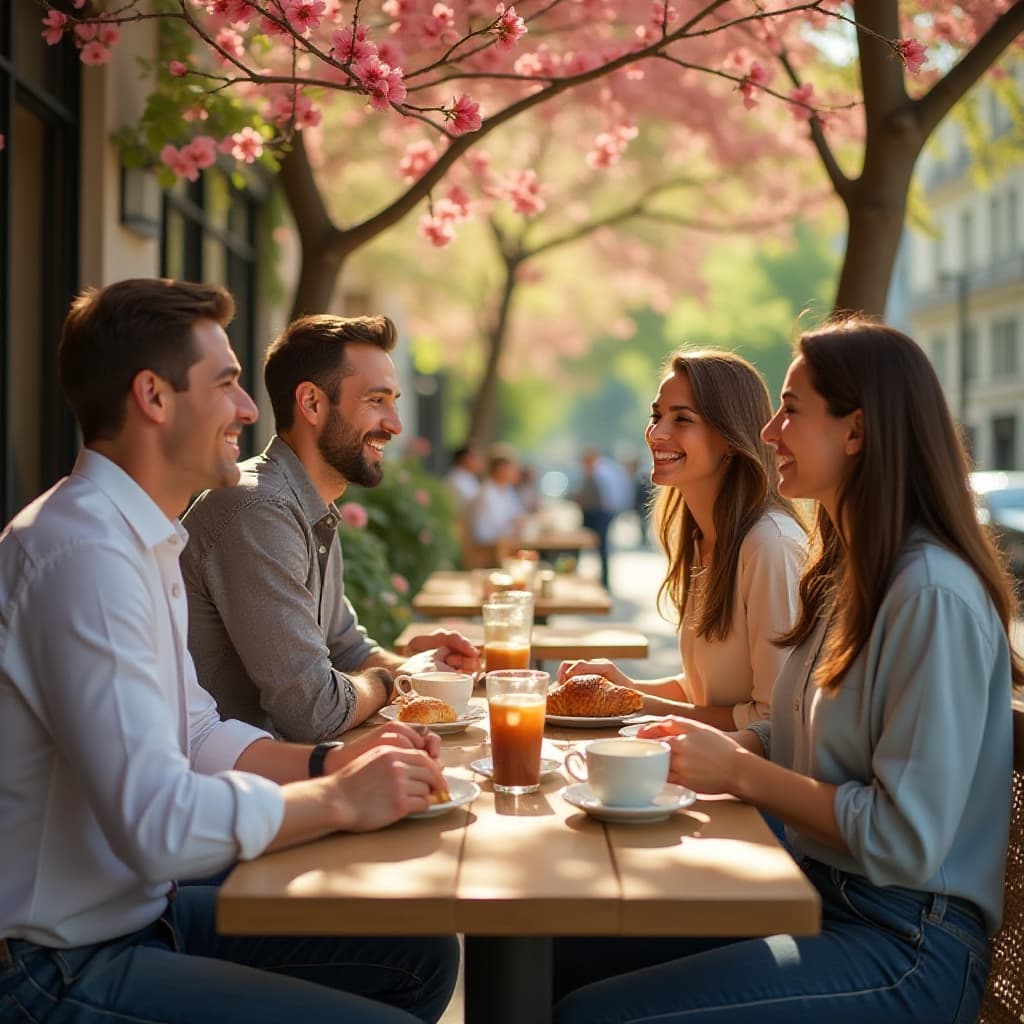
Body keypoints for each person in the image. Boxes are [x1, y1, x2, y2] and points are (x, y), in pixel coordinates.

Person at [0, 278, 459, 1024]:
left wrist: (329, 762)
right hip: (50, 964)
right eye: (227, 385)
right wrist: (337, 800)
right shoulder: (81, 554)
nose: (249, 411)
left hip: (138, 913)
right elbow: (157, 825)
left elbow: (198, 733)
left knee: (419, 952)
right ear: (153, 397)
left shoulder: (142, 538)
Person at [552, 318, 1018, 1024]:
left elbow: (904, 837)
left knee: (597, 1014)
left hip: (905, 940)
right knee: (559, 947)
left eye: (791, 409)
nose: (768, 431)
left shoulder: (930, 594)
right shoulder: (842, 574)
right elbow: (795, 738)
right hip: (813, 890)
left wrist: (738, 770)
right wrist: (689, 745)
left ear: (856, 432)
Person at [182, 314, 479, 742]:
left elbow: (347, 648)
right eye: (377, 401)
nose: (395, 424)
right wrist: (391, 682)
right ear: (312, 404)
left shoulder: (308, 503)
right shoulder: (260, 510)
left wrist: (417, 666)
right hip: (240, 791)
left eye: (394, 401)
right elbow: (315, 711)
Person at [560, 350, 806, 728]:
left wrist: (636, 703)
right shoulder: (702, 538)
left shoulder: (769, 545)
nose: (656, 433)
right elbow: (705, 693)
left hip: (745, 783)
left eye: (682, 419)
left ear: (730, 437)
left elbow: (772, 724)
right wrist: (623, 688)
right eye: (656, 416)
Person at [573, 447, 631, 590]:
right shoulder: (607, 469)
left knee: (599, 546)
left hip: (601, 513)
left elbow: (594, 496)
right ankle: (602, 579)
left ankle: (603, 580)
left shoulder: (600, 472)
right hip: (604, 512)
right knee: (599, 546)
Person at [467, 450, 525, 545]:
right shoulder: (486, 493)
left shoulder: (507, 490)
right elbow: (489, 530)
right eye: (512, 469)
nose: (515, 473)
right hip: (488, 546)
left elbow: (517, 515)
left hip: (503, 541)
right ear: (500, 469)